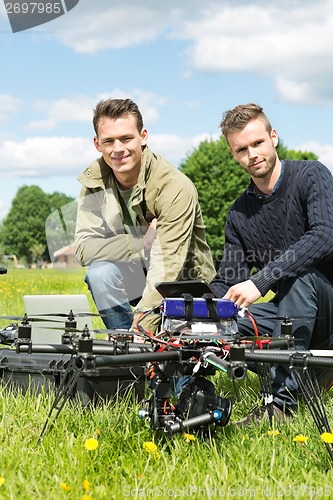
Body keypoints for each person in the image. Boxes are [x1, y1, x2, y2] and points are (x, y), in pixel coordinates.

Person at [210, 103, 333, 425]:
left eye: (257, 143)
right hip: (294, 313)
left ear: (273, 137)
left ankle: (281, 406)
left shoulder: (311, 175)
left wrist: (261, 281)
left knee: (298, 274)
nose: (252, 154)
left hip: (329, 302)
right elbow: (230, 277)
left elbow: (324, 236)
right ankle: (310, 375)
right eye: (242, 149)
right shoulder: (239, 213)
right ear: (233, 154)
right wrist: (201, 307)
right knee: (226, 324)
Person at [75, 98, 215, 334]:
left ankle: (149, 347)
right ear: (97, 144)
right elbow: (84, 249)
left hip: (183, 281)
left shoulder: (173, 186)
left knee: (174, 364)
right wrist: (142, 242)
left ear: (143, 136)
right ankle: (127, 356)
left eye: (126, 138)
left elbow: (167, 266)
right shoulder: (94, 183)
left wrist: (141, 327)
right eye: (109, 141)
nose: (118, 149)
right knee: (100, 274)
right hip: (138, 272)